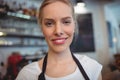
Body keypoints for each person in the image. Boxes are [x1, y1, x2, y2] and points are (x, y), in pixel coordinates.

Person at [16, 0, 102, 80]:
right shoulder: (27, 75)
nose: (58, 31)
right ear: (42, 28)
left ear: (74, 26)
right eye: (49, 23)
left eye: (66, 22)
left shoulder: (92, 68)